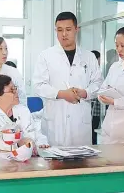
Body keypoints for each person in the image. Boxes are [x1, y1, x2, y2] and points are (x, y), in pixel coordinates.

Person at [32, 11, 103, 146]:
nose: (64, 34)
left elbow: (98, 83)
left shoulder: (89, 57)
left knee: (80, 163)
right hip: (55, 123)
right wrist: (62, 94)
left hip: (80, 123)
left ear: (77, 29)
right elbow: (38, 85)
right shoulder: (46, 56)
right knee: (54, 163)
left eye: (68, 29)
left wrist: (85, 92)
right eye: (60, 30)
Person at [0, 75, 49, 154]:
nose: (16, 92)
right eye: (11, 90)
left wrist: (42, 143)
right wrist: (21, 142)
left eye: (15, 88)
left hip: (25, 162)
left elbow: (36, 132)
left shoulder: (22, 110)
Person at [90, 50, 101, 145]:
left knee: (94, 131)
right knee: (92, 132)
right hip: (92, 110)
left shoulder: (98, 72)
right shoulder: (90, 72)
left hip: (97, 109)